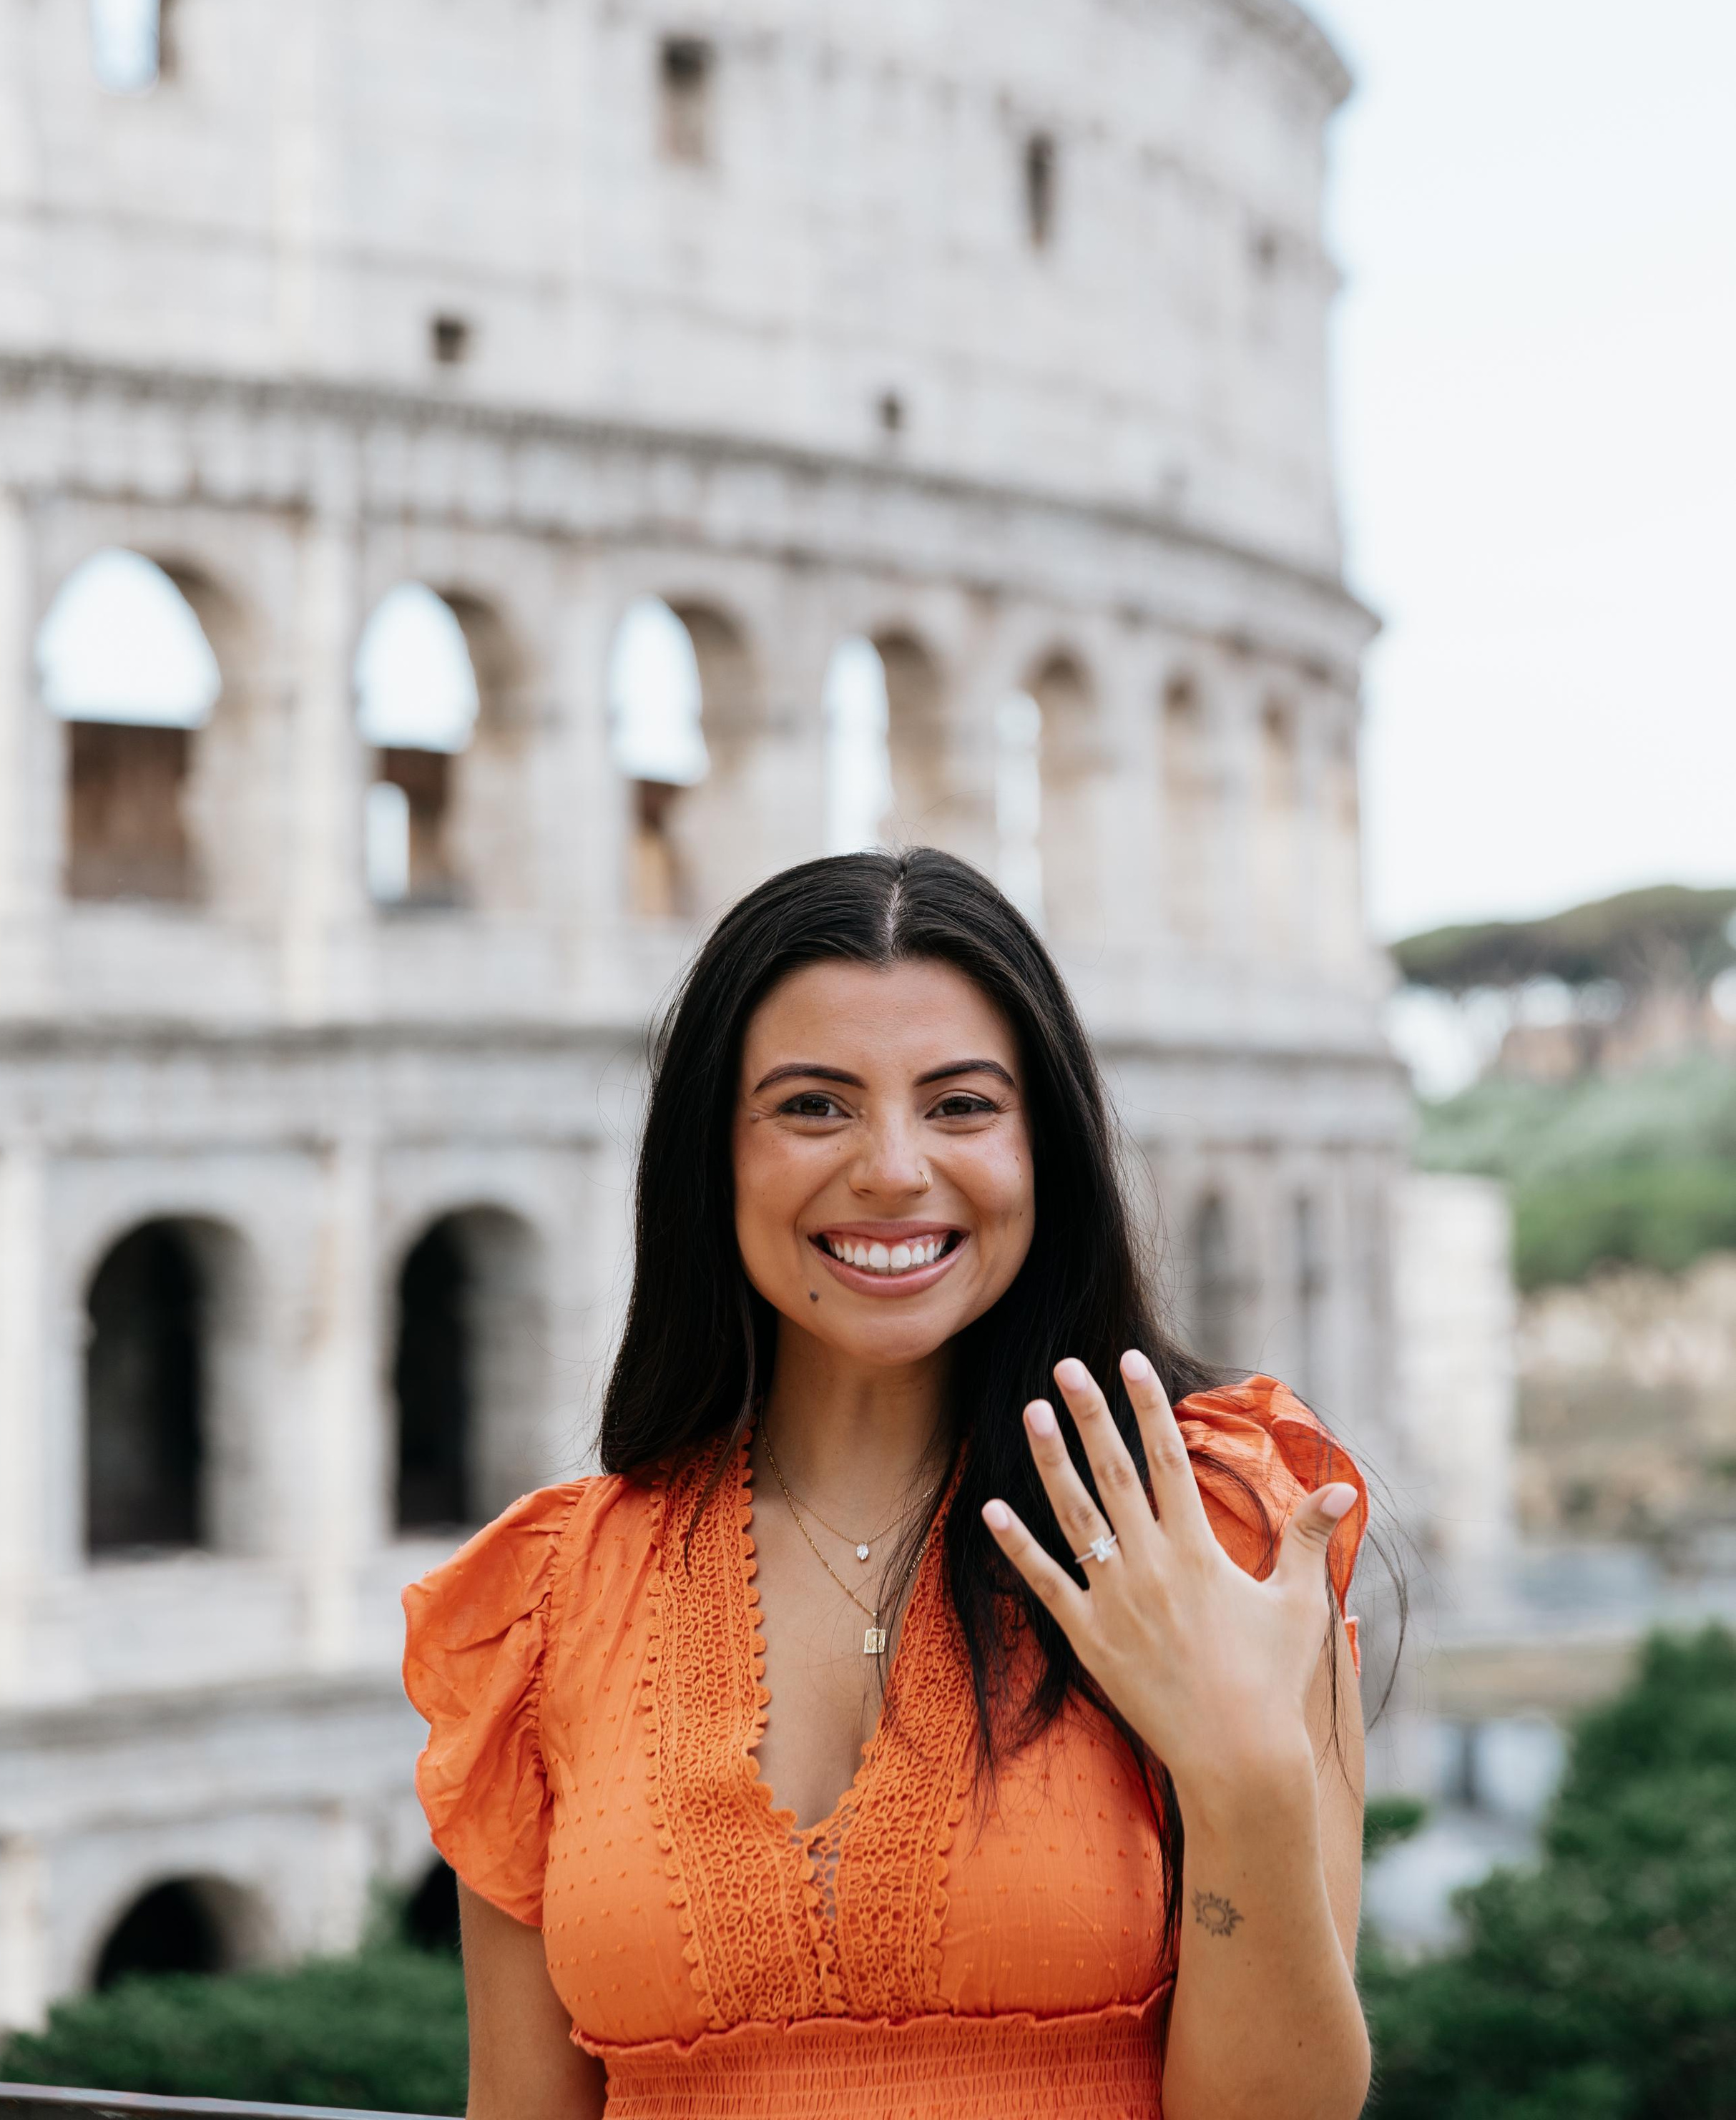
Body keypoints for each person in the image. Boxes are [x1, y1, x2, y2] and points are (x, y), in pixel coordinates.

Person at [403, 848, 1373, 2119]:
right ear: (715, 1157)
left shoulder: (1212, 1531)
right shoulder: (545, 1603)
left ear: (1046, 1150)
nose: (895, 1169)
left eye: (963, 1106)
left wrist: (1245, 1774)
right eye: (815, 1106)